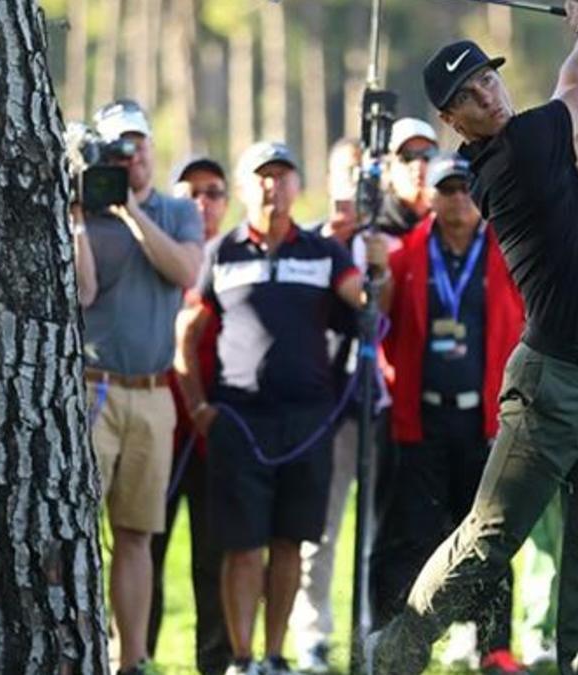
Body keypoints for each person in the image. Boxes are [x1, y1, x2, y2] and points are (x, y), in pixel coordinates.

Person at [365, 4, 578, 673]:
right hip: (556, 385)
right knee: (489, 538)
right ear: (452, 121)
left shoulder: (540, 146)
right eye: (466, 95)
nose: (485, 94)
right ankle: (399, 651)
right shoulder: (511, 154)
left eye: (487, 78)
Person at [178, 141, 389, 675]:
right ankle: (242, 658)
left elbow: (363, 303)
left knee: (290, 542)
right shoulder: (222, 252)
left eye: (283, 175)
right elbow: (190, 331)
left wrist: (378, 274)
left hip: (305, 423)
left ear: (298, 186)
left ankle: (274, 656)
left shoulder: (322, 253)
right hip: (240, 420)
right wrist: (199, 405)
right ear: (248, 188)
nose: (273, 186)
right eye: (263, 176)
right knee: (242, 548)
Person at [378, 154, 525, 674]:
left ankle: (495, 647)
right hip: (424, 419)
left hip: (487, 420)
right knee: (416, 535)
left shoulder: (506, 251)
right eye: (448, 189)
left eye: (465, 188)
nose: (458, 198)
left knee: (490, 535)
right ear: (432, 198)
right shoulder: (407, 254)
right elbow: (378, 311)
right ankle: (408, 643)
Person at [76, 99, 204, 675]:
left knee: (136, 535)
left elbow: (185, 271)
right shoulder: (84, 216)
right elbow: (81, 293)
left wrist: (130, 211)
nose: (133, 156)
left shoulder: (178, 213)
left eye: (140, 144)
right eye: (120, 147)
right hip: (93, 390)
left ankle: (133, 660)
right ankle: (84, 653)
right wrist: (80, 215)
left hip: (154, 394)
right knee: (79, 530)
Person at [145, 156, 233, 675]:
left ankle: (215, 663)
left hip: (216, 431)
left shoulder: (237, 255)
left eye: (214, 191)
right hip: (160, 427)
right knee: (145, 550)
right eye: (191, 192)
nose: (203, 201)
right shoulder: (158, 256)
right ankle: (137, 655)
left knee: (214, 556)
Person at [289, 137, 370, 673]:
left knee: (379, 529)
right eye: (347, 173)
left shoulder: (393, 241)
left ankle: (372, 625)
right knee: (321, 529)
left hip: (385, 404)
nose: (357, 183)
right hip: (332, 406)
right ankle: (313, 633)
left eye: (365, 173)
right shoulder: (314, 244)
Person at [376, 118, 439, 236]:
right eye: (407, 157)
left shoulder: (449, 222)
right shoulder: (375, 227)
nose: (418, 165)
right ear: (388, 168)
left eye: (428, 155)